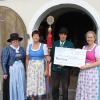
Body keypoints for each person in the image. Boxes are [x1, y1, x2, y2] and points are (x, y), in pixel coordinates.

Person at [50, 27, 74, 100]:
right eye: (61, 34)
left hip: (65, 69)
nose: (63, 36)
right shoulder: (55, 43)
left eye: (65, 34)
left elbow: (72, 57)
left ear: (66, 36)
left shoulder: (70, 44)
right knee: (54, 87)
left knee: (65, 88)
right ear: (59, 35)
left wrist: (66, 63)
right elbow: (52, 55)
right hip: (55, 69)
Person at [75, 31, 100, 100]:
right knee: (83, 88)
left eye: (91, 37)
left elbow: (98, 62)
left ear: (94, 38)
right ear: (86, 38)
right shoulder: (84, 47)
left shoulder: (97, 47)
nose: (89, 39)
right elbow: (80, 59)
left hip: (92, 72)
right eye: (88, 37)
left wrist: (87, 66)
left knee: (90, 89)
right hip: (83, 72)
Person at [1, 33, 26, 100]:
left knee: (21, 83)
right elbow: (3, 62)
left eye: (17, 40)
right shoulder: (6, 49)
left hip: (21, 70)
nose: (15, 42)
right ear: (11, 42)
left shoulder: (22, 49)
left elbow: (24, 59)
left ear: (18, 41)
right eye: (13, 41)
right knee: (13, 85)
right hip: (12, 70)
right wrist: (5, 72)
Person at [26, 30, 49, 100]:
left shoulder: (43, 46)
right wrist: (26, 70)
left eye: (37, 35)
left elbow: (47, 59)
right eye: (34, 35)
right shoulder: (29, 46)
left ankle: (40, 99)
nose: (36, 37)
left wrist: (46, 70)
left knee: (40, 84)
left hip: (40, 68)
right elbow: (27, 59)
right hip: (31, 68)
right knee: (32, 84)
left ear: (39, 37)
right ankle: (32, 99)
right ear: (32, 37)